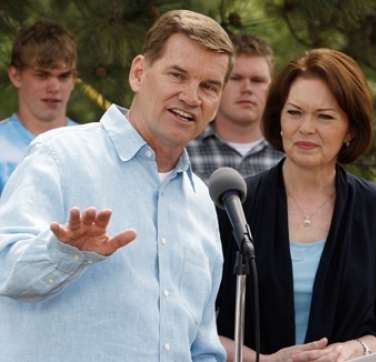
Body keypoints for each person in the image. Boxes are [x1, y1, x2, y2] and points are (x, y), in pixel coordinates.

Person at [0, 10, 235, 361]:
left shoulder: (202, 201)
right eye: (177, 75)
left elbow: (201, 346)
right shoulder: (59, 155)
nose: (191, 96)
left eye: (209, 87)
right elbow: (6, 272)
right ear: (139, 73)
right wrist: (66, 253)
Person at [216, 48, 376, 361]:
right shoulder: (234, 205)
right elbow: (194, 323)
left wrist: (354, 349)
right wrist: (264, 360)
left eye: (325, 116)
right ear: (278, 121)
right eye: (294, 112)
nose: (306, 128)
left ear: (350, 130)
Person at [186, 32, 284, 183]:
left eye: (257, 80)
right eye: (236, 78)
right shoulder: (183, 148)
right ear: (215, 84)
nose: (247, 88)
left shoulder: (290, 151)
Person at [0, 20, 78, 195]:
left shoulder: (93, 147)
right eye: (42, 75)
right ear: (15, 76)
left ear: (73, 79)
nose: (54, 87)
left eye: (64, 76)